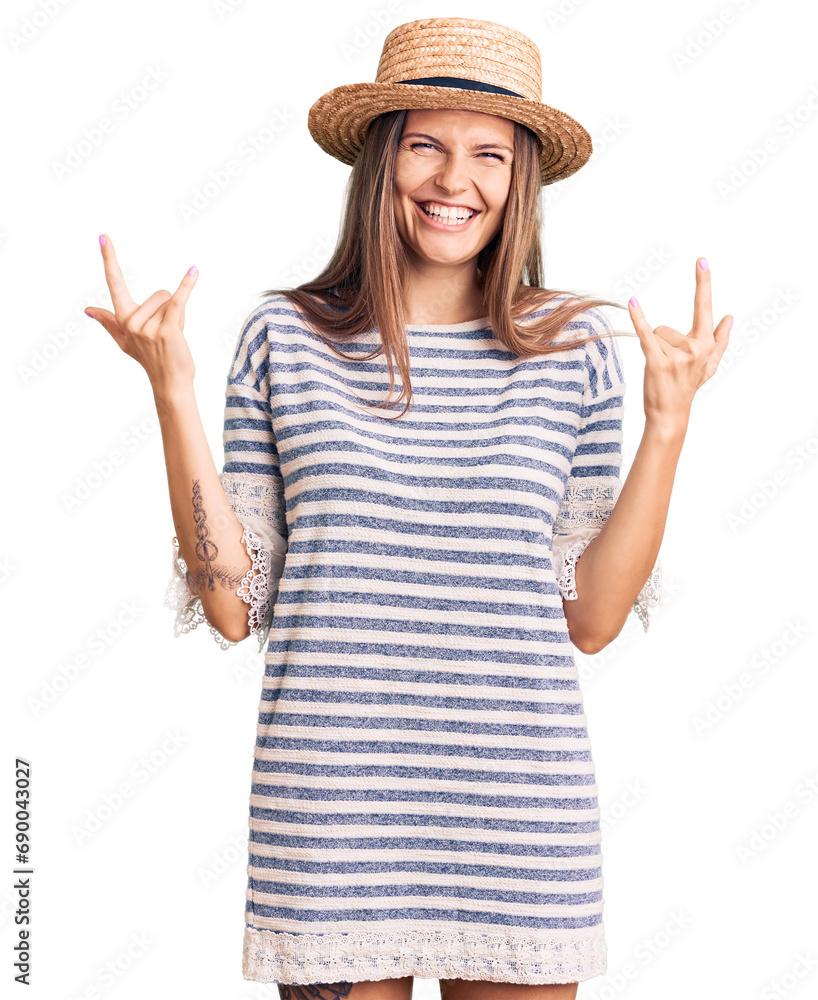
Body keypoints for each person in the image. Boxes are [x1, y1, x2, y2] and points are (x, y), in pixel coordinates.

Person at [84, 15, 732, 1000]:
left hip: (516, 818)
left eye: (486, 154)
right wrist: (171, 385)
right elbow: (229, 604)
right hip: (330, 813)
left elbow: (591, 621)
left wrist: (668, 424)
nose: (451, 180)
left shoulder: (577, 347)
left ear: (519, 180)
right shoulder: (284, 337)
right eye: (424, 145)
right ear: (381, 162)